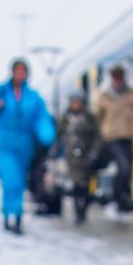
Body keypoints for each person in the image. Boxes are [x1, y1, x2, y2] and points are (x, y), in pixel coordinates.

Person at [0, 59, 56, 234]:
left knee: (19, 180)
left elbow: (41, 118)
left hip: (24, 145)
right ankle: (10, 215)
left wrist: (47, 135)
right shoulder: (1, 92)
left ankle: (15, 216)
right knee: (11, 179)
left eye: (23, 71)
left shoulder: (33, 97)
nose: (20, 74)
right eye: (17, 71)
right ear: (12, 72)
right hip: (2, 142)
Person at [95, 64, 133, 211]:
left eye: (120, 76)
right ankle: (118, 201)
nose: (118, 80)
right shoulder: (104, 96)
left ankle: (123, 202)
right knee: (123, 167)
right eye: (115, 77)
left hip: (128, 136)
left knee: (128, 170)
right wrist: (97, 139)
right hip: (111, 138)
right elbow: (97, 118)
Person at [53, 90, 102, 225]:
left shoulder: (89, 118)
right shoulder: (65, 118)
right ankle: (78, 213)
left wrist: (94, 152)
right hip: (72, 156)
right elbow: (58, 136)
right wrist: (54, 151)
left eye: (78, 102)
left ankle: (83, 210)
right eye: (74, 102)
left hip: (86, 155)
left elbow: (97, 137)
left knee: (85, 185)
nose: (76, 104)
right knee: (76, 184)